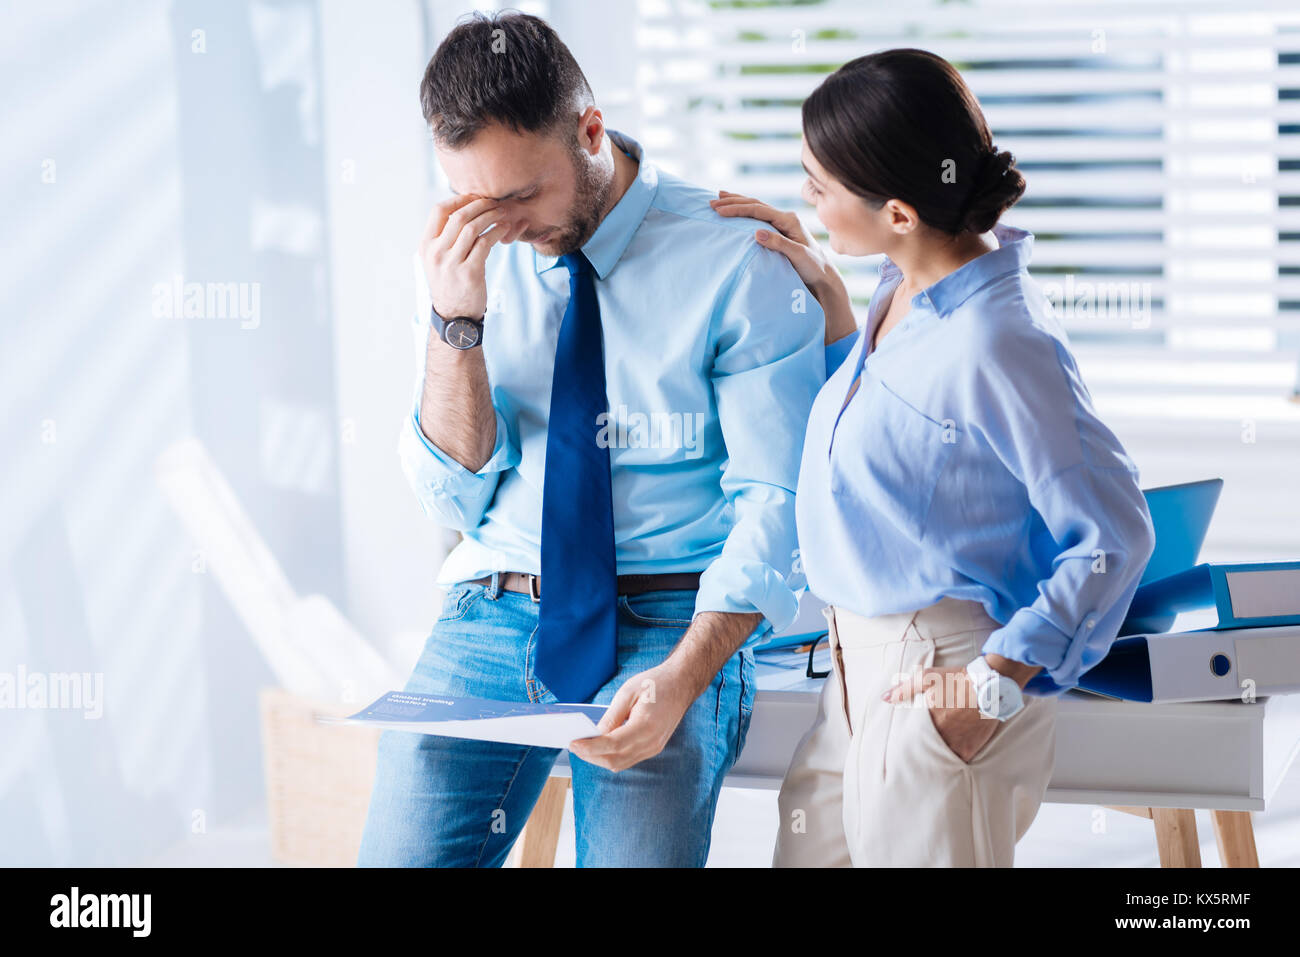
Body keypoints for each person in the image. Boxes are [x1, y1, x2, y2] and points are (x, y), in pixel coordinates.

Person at [357, 11, 825, 867]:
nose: (500, 226)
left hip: (670, 618)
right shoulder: (467, 261)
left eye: (521, 196)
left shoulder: (736, 260)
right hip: (490, 609)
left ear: (592, 130)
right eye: (475, 202)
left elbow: (778, 503)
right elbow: (450, 496)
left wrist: (684, 675)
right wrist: (454, 324)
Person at [711, 48, 1157, 867]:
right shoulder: (905, 285)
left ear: (902, 213)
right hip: (853, 677)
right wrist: (836, 307)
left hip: (939, 673)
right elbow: (905, 427)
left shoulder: (1001, 338)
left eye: (820, 186)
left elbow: (1114, 534)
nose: (804, 200)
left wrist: (992, 683)